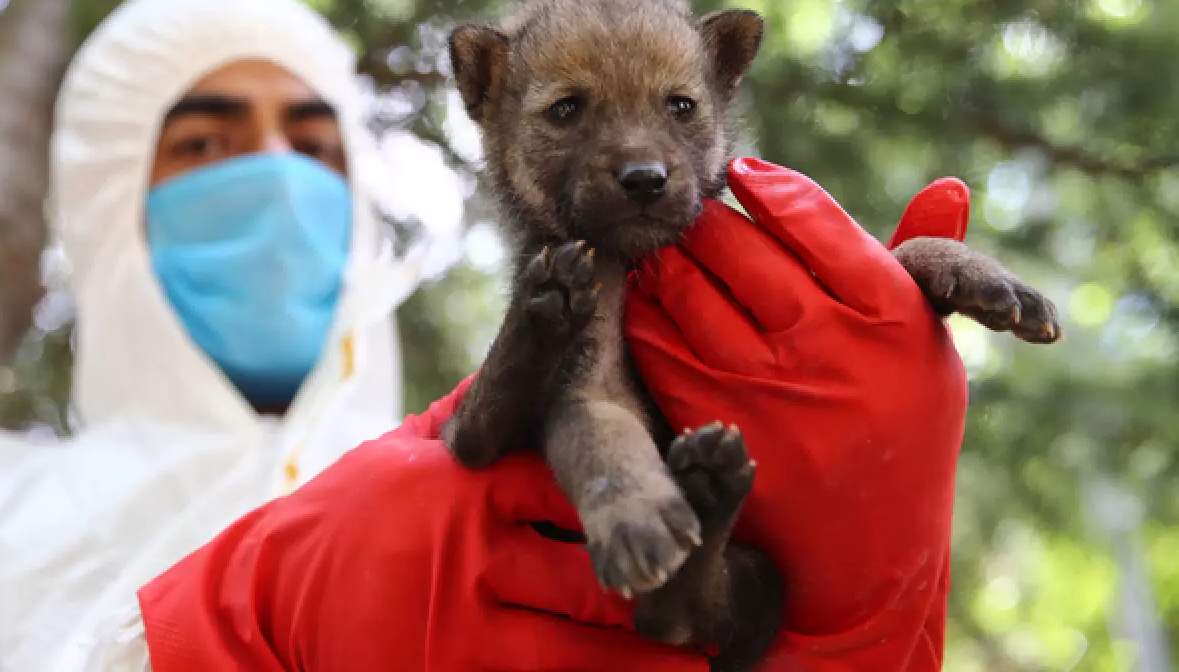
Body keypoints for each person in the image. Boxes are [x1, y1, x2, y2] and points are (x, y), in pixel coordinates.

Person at [85, 158, 977, 672]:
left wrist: (862, 626)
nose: (277, 193)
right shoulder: (16, 494)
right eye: (205, 145)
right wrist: (245, 622)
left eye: (312, 145)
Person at [0, 0, 428, 672]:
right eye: (205, 144)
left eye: (312, 148)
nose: (279, 175)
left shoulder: (477, 496)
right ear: (112, 208)